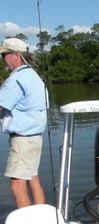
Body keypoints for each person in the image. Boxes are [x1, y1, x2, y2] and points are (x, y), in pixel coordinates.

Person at [0, 37, 48, 208]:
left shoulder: (16, 79)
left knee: (16, 185)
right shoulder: (33, 76)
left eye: (4, 54)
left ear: (16, 55)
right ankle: (42, 220)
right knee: (32, 178)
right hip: (34, 138)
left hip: (23, 140)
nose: (3, 59)